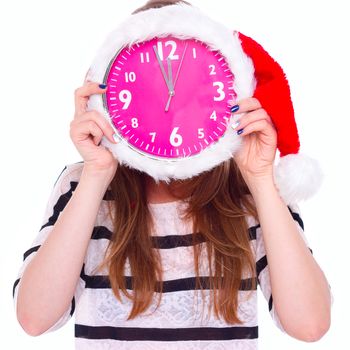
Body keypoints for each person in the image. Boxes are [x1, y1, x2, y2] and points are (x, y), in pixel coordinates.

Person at [13, 0, 333, 349]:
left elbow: (310, 324)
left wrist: (259, 180)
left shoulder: (250, 193)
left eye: (188, 84)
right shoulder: (82, 183)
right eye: (148, 84)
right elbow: (35, 319)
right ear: (112, 95)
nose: (170, 100)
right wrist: (96, 173)